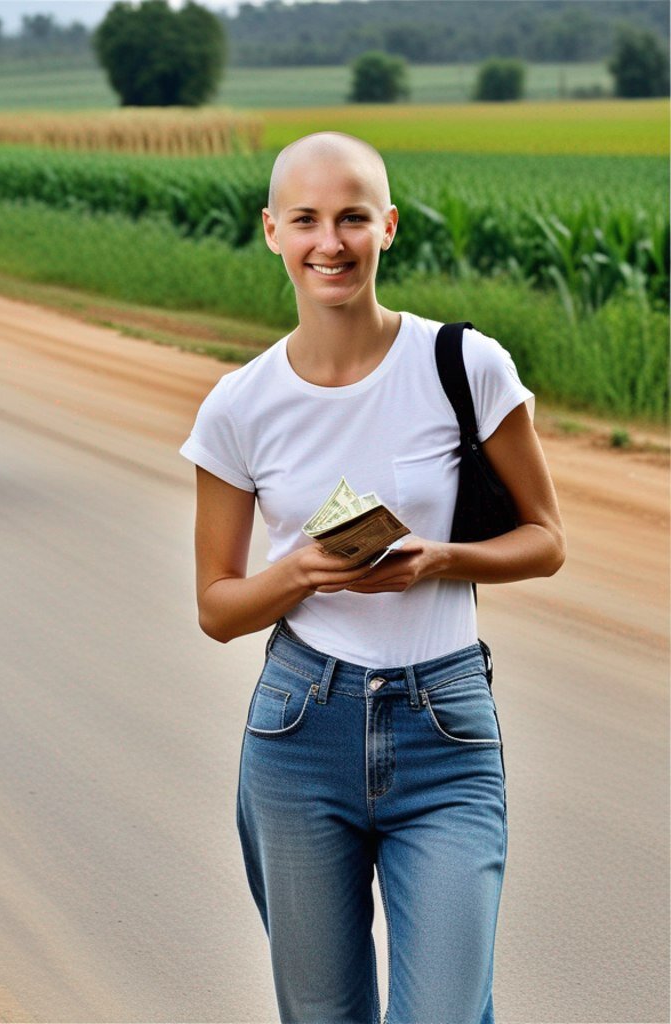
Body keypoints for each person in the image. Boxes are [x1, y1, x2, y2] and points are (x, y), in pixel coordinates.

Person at [180, 132, 565, 1024]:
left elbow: (546, 540)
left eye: (353, 217)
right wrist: (302, 573)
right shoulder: (239, 406)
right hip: (300, 729)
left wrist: (444, 558)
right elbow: (216, 608)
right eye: (307, 219)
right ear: (271, 230)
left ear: (387, 227)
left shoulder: (467, 366)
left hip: (445, 728)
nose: (332, 242)